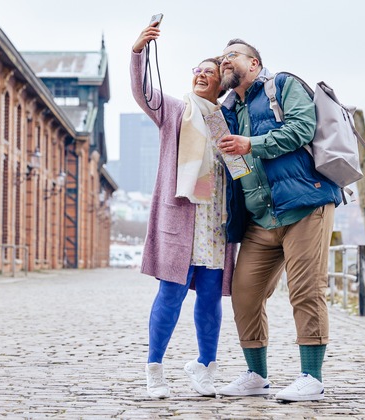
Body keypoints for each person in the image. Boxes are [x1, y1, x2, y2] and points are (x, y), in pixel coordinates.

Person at [215, 39, 343, 402]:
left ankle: (312, 377)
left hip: (306, 206)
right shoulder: (227, 110)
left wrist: (251, 144)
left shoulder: (282, 86)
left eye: (232, 56)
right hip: (261, 219)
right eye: (221, 58)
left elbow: (302, 129)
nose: (225, 61)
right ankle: (256, 375)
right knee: (244, 294)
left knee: (306, 291)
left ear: (253, 63)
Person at [130, 24, 237, 399]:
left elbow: (240, 172)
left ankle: (206, 367)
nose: (201, 74)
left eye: (210, 72)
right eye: (197, 69)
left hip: (216, 224)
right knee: (170, 296)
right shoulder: (175, 111)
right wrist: (138, 52)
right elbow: (143, 93)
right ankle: (154, 369)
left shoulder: (229, 122)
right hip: (182, 222)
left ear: (221, 85)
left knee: (209, 301)